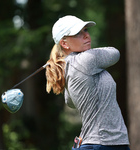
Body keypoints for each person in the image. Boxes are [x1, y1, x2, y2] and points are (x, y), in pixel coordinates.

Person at [45, 15, 130, 150]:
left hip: (98, 143)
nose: (86, 35)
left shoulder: (67, 68)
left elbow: (70, 101)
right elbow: (115, 53)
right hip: (104, 143)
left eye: (85, 30)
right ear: (64, 43)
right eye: (78, 33)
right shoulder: (86, 60)